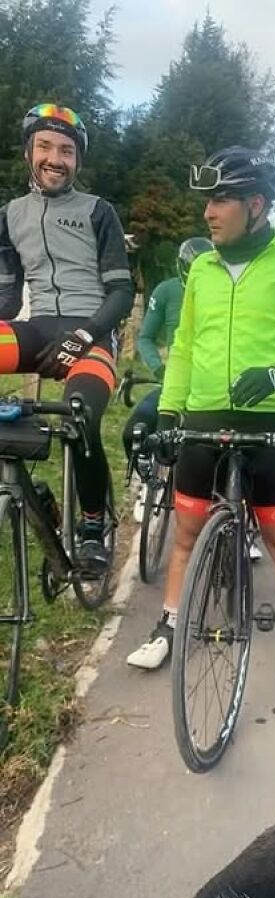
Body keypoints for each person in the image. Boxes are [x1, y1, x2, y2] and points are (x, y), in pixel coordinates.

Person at [126, 146, 275, 687]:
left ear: (257, 204)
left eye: (220, 199)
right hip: (200, 417)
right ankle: (170, 626)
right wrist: (170, 411)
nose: (208, 212)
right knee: (185, 534)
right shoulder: (201, 268)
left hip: (265, 422)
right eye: (208, 200)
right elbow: (187, 344)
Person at [0, 103, 133, 572]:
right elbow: (7, 301)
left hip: (92, 333)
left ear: (77, 160)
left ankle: (93, 524)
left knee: (81, 417)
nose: (55, 158)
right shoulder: (10, 215)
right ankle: (30, 491)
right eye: (45, 146)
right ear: (28, 153)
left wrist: (84, 336)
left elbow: (122, 292)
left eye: (66, 150)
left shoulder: (99, 211)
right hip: (37, 329)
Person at [122, 236, 213, 463]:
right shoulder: (167, 291)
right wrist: (159, 368)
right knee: (132, 433)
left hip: (209, 389)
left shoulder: (225, 295)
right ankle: (144, 483)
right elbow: (146, 338)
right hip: (173, 383)